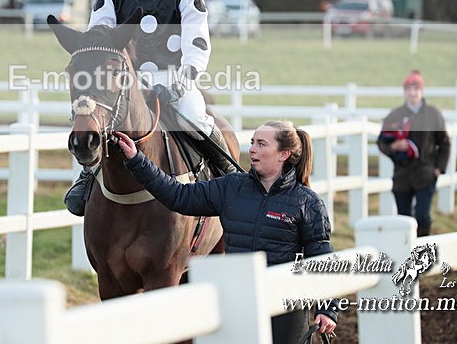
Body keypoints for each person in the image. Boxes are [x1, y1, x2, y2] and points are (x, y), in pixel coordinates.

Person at [63, 0, 237, 216]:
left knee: (195, 115)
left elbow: (198, 46)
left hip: (174, 81)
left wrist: (181, 83)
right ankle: (88, 175)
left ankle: (230, 179)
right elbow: (97, 44)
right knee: (99, 124)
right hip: (124, 82)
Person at [112, 121, 338, 343]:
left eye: (261, 144)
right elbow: (178, 195)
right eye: (252, 142)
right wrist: (137, 160)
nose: (252, 149)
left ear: (283, 154)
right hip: (237, 301)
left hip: (285, 308)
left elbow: (320, 256)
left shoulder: (307, 202)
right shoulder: (231, 187)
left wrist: (327, 309)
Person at [377, 70, 451, 237]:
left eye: (416, 89)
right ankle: (406, 253)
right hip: (402, 174)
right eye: (409, 89)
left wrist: (439, 168)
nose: (412, 93)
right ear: (405, 91)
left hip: (425, 173)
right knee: (403, 218)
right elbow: (382, 141)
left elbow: (444, 142)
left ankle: (422, 250)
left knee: (423, 216)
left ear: (421, 91)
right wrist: (394, 146)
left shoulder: (433, 115)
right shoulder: (395, 115)